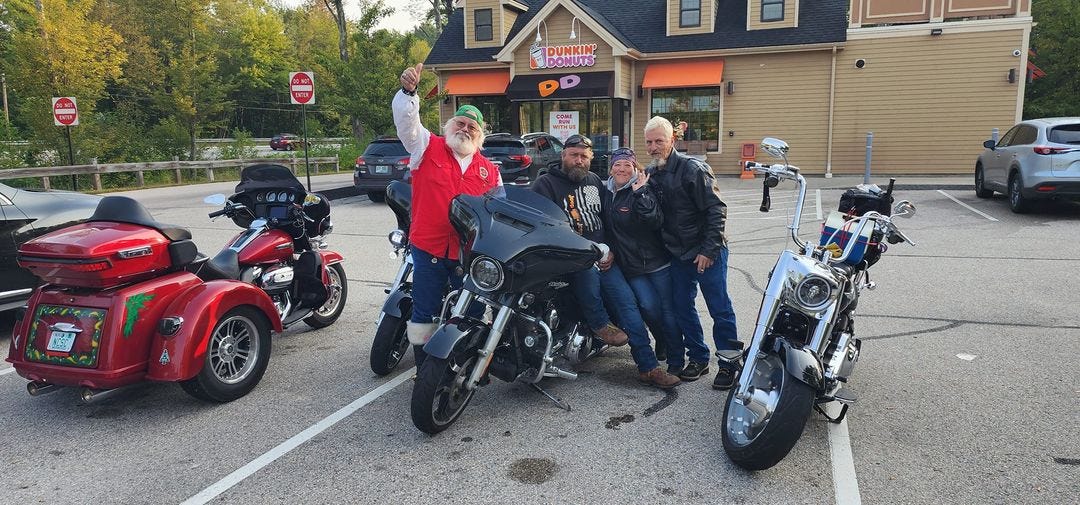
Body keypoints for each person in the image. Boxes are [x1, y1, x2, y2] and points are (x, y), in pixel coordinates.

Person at [531, 135, 678, 389]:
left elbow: (608, 219)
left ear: (590, 160)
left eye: (584, 157)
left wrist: (610, 250)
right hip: (572, 258)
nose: (578, 160)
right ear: (563, 155)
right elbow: (537, 221)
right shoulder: (545, 184)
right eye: (574, 155)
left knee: (628, 305)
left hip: (604, 257)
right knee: (587, 274)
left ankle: (648, 367)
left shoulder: (595, 183)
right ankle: (599, 324)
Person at [393, 62, 501, 366]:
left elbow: (498, 212)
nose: (465, 130)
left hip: (468, 255)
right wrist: (408, 92)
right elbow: (406, 123)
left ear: (480, 136)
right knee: (424, 311)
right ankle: (424, 369)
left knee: (472, 311)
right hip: (428, 246)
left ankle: (463, 365)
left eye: (472, 127)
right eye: (460, 123)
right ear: (449, 125)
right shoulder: (426, 146)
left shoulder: (490, 171)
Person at [644, 116, 741, 390]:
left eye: (659, 141)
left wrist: (709, 250)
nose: (653, 147)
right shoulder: (652, 174)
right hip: (678, 254)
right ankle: (698, 358)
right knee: (682, 307)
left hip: (706, 252)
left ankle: (728, 364)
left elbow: (716, 210)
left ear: (672, 140)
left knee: (719, 308)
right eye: (649, 142)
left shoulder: (693, 169)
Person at [601, 147, 682, 387]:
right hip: (631, 265)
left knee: (664, 310)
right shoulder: (606, 191)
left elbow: (655, 221)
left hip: (655, 262)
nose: (622, 169)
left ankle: (675, 355)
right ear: (611, 168)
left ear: (635, 168)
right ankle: (662, 342)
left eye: (627, 165)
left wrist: (641, 195)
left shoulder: (642, 188)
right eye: (618, 165)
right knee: (648, 306)